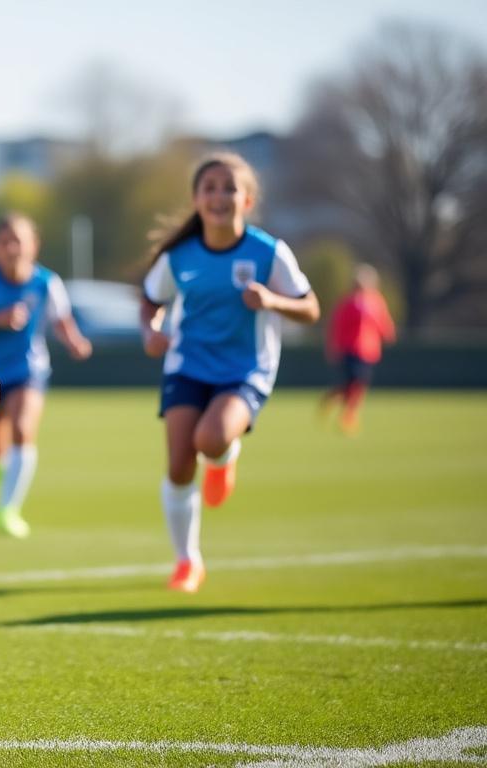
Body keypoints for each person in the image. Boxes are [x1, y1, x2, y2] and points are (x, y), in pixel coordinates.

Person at [140, 152, 320, 593]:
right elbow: (150, 300)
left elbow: (311, 308)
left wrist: (274, 302)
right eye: (210, 188)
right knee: (180, 465)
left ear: (247, 199)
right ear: (196, 199)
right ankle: (187, 562)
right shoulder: (178, 256)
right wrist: (151, 329)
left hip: (245, 370)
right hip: (187, 365)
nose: (219, 196)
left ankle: (224, 459)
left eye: (229, 188)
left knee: (211, 439)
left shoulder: (269, 252)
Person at [0, 214, 91, 538]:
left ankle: (8, 510)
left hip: (28, 369)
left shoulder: (46, 282)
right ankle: (7, 479)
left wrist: (75, 342)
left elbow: (62, 321)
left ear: (34, 245)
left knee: (22, 429)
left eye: (19, 241)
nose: (12, 248)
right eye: (5, 242)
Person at [321, 264, 395, 434]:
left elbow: (382, 322)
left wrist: (387, 333)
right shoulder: (348, 302)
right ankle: (348, 416)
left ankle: (335, 400)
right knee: (354, 382)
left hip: (369, 351)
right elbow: (337, 326)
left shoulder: (376, 301)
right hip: (350, 349)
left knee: (357, 385)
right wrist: (333, 347)